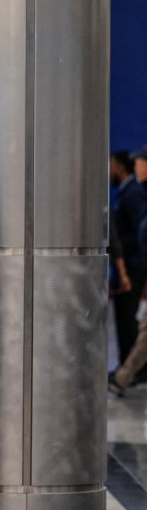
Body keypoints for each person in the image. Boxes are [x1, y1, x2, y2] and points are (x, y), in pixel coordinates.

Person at [110, 151, 147, 364]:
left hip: (133, 266)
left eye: (111, 165)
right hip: (130, 264)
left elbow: (136, 230)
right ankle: (128, 368)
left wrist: (128, 269)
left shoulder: (133, 193)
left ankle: (133, 370)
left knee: (129, 320)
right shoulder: (130, 191)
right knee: (126, 320)